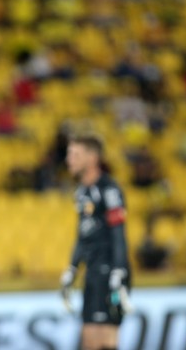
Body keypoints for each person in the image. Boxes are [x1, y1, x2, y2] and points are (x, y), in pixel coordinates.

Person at [60, 134, 131, 350]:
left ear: (92, 158)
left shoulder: (109, 190)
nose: (68, 159)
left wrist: (119, 270)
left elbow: (119, 232)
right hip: (92, 271)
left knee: (103, 340)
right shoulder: (82, 193)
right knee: (90, 340)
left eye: (75, 154)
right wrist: (73, 268)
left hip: (108, 271)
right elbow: (83, 235)